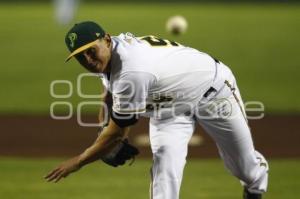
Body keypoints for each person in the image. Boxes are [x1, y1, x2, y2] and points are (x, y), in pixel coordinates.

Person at [44, 21, 269, 199]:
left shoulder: (132, 70)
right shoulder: (113, 53)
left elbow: (117, 132)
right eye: (79, 56)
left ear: (106, 40)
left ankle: (256, 184)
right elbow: (109, 93)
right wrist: (104, 129)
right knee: (165, 171)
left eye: (90, 51)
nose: (88, 59)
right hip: (167, 111)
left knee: (244, 167)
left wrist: (78, 161)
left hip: (214, 92)